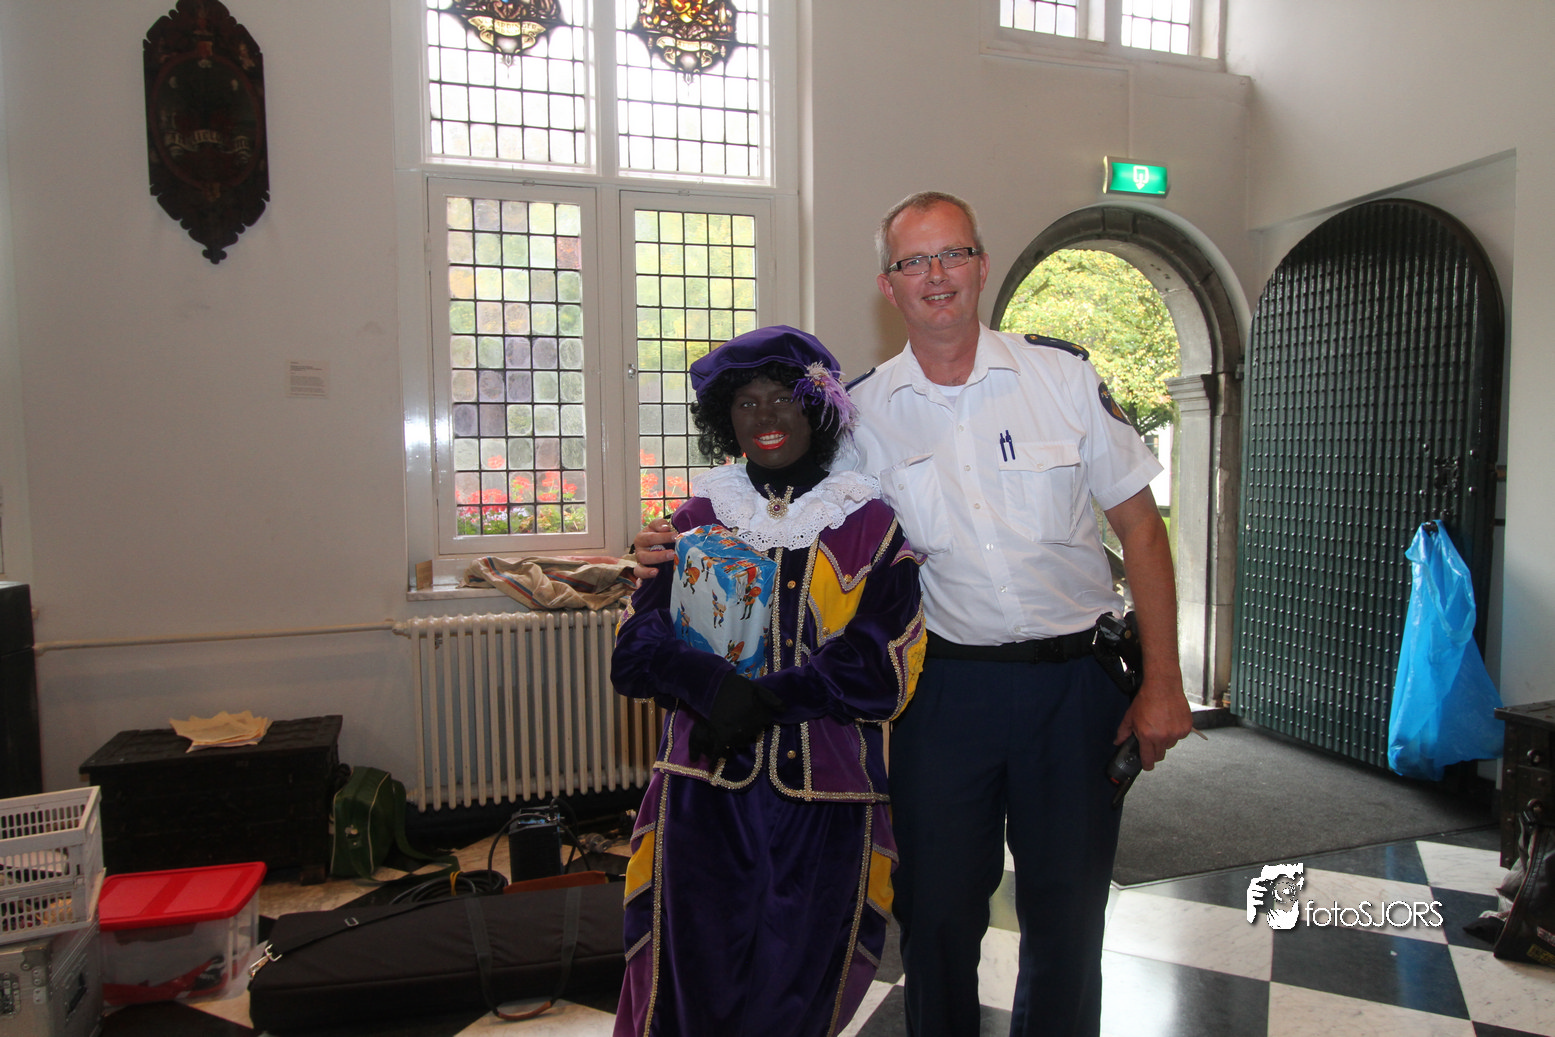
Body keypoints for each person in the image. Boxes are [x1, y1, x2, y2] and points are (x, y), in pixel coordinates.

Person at [635, 192, 1194, 1036]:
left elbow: (1142, 530)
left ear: (981, 264)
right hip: (940, 697)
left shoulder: (1062, 379)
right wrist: (675, 539)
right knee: (934, 917)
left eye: (952, 254)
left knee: (1069, 915)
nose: (936, 276)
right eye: (913, 261)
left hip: (1073, 687)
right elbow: (779, 513)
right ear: (887, 284)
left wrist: (1163, 682)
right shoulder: (858, 417)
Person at [610, 325, 926, 1037]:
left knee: (799, 992)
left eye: (782, 398)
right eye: (745, 402)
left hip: (828, 801)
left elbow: (885, 665)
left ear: (816, 407)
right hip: (701, 797)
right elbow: (634, 654)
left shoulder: (869, 525)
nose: (765, 417)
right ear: (725, 417)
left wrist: (768, 698)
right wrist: (711, 686)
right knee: (693, 987)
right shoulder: (695, 519)